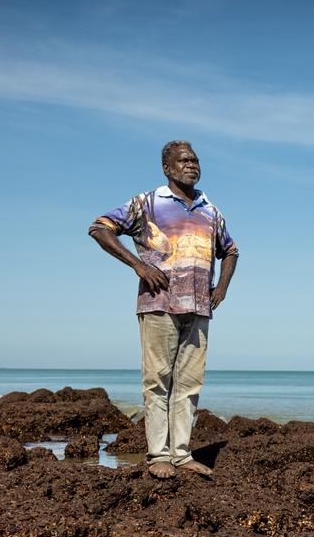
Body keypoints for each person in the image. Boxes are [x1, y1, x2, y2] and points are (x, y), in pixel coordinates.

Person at [88, 140, 239, 479]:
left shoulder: (209, 210)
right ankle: (158, 455)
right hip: (159, 304)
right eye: (184, 160)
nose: (192, 164)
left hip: (199, 308)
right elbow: (99, 228)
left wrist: (222, 288)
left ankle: (182, 455)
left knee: (188, 384)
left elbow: (230, 251)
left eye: (196, 159)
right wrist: (138, 267)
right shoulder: (148, 203)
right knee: (157, 380)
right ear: (167, 169)